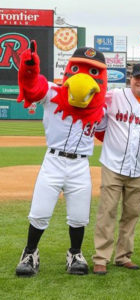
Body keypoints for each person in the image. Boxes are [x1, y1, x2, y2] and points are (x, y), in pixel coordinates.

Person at [15, 42, 108, 276]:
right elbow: (32, 87)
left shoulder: (101, 107)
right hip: (54, 161)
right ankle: (30, 253)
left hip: (80, 164)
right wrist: (29, 69)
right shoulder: (52, 91)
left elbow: (106, 131)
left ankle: (75, 254)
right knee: (40, 210)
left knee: (79, 215)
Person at [92, 63, 140, 275]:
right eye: (137, 77)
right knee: (107, 211)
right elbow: (98, 121)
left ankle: (123, 256)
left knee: (132, 214)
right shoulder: (114, 96)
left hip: (139, 169)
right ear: (130, 79)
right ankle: (101, 257)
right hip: (113, 164)